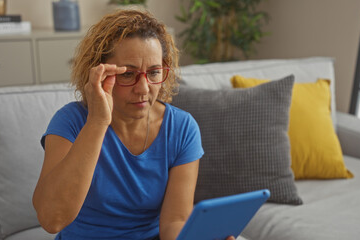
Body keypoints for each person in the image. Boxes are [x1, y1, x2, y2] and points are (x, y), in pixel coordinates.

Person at [32, 9, 235, 240]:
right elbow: (51, 219)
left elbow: (174, 222)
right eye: (128, 74)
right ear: (98, 74)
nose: (143, 88)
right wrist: (98, 122)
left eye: (154, 72)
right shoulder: (71, 121)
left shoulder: (182, 128)